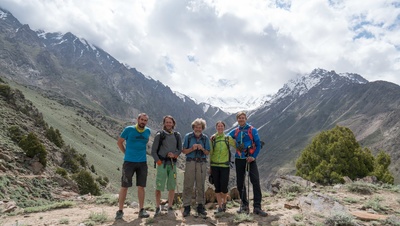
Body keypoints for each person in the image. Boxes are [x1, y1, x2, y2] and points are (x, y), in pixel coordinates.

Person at [228, 111, 268, 217]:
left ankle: (257, 207)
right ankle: (244, 205)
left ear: (246, 119)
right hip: (239, 159)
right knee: (240, 183)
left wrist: (253, 156)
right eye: (239, 118)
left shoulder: (252, 130)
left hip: (250, 158)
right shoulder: (235, 131)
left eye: (243, 117)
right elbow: (226, 137)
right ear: (237, 120)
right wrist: (236, 144)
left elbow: (258, 144)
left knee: (255, 181)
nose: (241, 119)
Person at [115, 113, 151, 220]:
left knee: (141, 186)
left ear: (146, 122)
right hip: (129, 162)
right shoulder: (129, 129)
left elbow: (144, 143)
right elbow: (119, 142)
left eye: (145, 120)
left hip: (142, 162)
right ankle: (120, 211)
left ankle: (141, 210)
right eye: (141, 119)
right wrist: (126, 153)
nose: (143, 122)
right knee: (124, 186)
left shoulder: (147, 131)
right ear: (138, 119)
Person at [151, 115, 182, 216]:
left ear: (173, 123)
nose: (168, 124)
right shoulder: (159, 135)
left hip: (172, 164)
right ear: (164, 123)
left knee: (171, 186)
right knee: (159, 186)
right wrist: (158, 161)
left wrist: (175, 155)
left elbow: (179, 149)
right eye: (167, 122)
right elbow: (153, 151)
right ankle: (157, 207)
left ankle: (169, 206)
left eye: (170, 122)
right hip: (162, 164)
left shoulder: (177, 135)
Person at [181, 118, 211, 217]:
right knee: (188, 184)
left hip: (201, 163)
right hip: (190, 162)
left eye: (200, 127)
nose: (198, 129)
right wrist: (192, 148)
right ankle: (186, 206)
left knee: (200, 185)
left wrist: (202, 148)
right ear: (193, 127)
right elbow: (184, 151)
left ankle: (200, 206)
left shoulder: (205, 138)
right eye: (196, 127)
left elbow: (207, 152)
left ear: (202, 128)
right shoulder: (188, 137)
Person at [210, 121, 236, 213]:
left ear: (224, 128)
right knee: (217, 187)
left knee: (224, 187)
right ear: (216, 127)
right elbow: (211, 153)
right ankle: (220, 206)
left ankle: (224, 202)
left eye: (221, 126)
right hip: (214, 165)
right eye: (218, 126)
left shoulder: (227, 138)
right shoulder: (213, 139)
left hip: (225, 165)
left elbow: (236, 146)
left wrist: (245, 147)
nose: (220, 127)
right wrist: (210, 167)